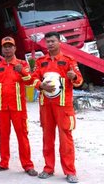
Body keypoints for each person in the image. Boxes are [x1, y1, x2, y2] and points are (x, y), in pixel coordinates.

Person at [31, 32, 83, 184]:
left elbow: (79, 81)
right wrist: (40, 85)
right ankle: (48, 168)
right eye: (48, 42)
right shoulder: (41, 61)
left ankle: (70, 171)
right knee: (47, 137)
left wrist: (73, 77)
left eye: (53, 41)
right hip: (46, 105)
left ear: (60, 42)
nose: (50, 44)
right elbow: (33, 78)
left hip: (63, 106)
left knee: (66, 138)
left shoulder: (69, 60)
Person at [0, 36, 38, 176]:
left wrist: (21, 71)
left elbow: (31, 82)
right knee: (3, 136)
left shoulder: (23, 64)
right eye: (5, 46)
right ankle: (3, 163)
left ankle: (28, 165)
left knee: (22, 136)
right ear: (2, 49)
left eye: (10, 46)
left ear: (15, 48)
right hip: (3, 109)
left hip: (18, 108)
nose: (8, 49)